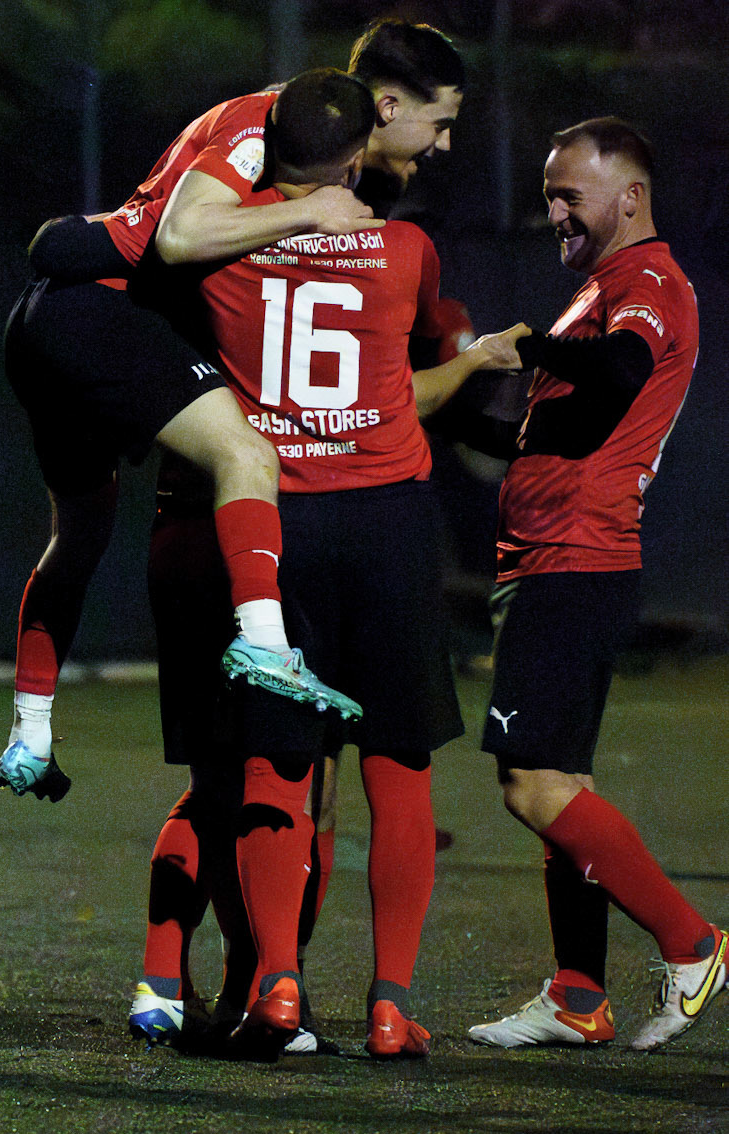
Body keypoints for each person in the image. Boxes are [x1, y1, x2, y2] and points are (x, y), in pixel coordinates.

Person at [131, 69, 522, 1058]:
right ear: (355, 157)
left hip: (279, 524)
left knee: (277, 763)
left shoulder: (225, 263)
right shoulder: (406, 249)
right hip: (387, 521)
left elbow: (171, 237)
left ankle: (278, 986)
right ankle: (390, 1002)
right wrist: (472, 364)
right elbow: (410, 374)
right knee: (398, 766)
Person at [0, 99, 372, 804]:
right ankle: (264, 643)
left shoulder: (272, 135)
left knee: (77, 538)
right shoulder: (262, 128)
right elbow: (176, 234)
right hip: (93, 313)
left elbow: (60, 243)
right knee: (247, 457)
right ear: (379, 111)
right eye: (436, 122)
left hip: (42, 317)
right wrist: (309, 211)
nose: (440, 144)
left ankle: (30, 730)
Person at [463, 119, 726, 1052]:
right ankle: (577, 994)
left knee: (531, 785)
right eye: (547, 194)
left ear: (630, 196)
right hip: (546, 558)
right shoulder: (594, 292)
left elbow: (616, 377)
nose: (553, 213)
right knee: (559, 785)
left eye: (568, 194)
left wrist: (527, 346)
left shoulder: (645, 283)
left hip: (575, 559)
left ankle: (692, 941)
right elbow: (545, 436)